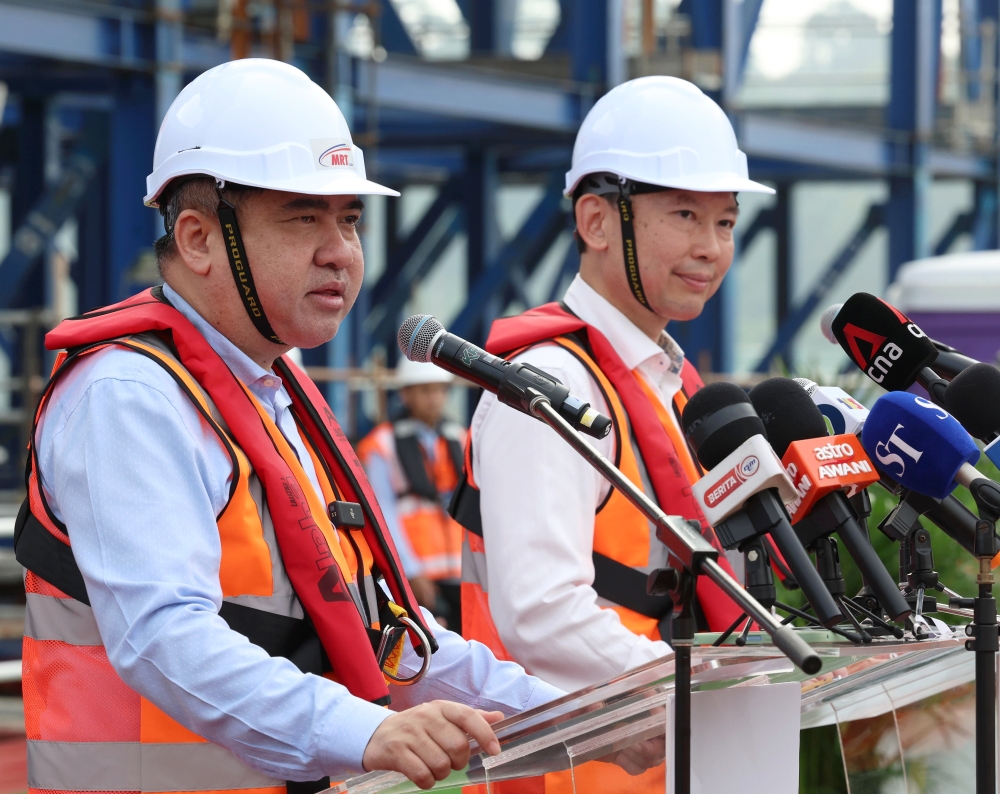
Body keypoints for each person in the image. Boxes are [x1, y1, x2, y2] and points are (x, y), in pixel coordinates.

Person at [16, 59, 567, 794]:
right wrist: (368, 730)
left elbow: (384, 633)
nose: (341, 250)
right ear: (199, 239)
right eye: (304, 216)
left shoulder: (272, 395)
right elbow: (161, 637)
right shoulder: (129, 396)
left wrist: (561, 713)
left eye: (349, 219)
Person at [451, 76, 775, 792]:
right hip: (573, 775)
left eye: (725, 222)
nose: (712, 248)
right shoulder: (545, 388)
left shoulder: (669, 385)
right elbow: (542, 612)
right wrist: (711, 697)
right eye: (685, 215)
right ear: (596, 222)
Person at [358, 359, 466, 628]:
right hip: (417, 576)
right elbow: (383, 512)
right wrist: (409, 571)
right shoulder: (381, 444)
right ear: (406, 394)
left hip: (461, 573)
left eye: (440, 390)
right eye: (425, 391)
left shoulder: (460, 438)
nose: (435, 399)